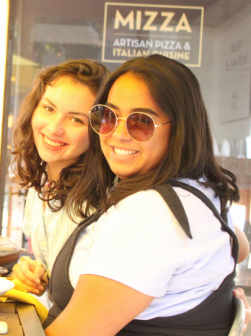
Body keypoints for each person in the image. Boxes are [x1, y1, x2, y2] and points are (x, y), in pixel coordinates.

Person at [44, 55, 249, 335]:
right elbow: (241, 247)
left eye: (141, 122)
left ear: (179, 130)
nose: (117, 134)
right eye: (108, 116)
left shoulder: (146, 216)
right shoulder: (200, 190)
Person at [9, 60, 109, 296]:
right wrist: (33, 272)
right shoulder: (40, 184)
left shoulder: (102, 202)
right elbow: (51, 272)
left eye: (76, 119)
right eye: (49, 109)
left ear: (97, 130)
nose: (54, 128)